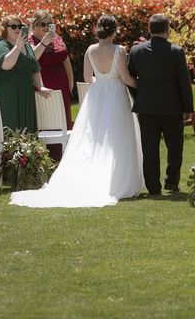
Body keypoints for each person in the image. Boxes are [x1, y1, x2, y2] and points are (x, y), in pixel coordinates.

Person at [10, 15, 143, 208]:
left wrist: (101, 84)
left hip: (97, 95)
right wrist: (140, 85)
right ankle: (118, 180)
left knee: (94, 136)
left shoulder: (90, 50)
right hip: (115, 93)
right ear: (114, 31)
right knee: (117, 135)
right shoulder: (119, 50)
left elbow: (88, 78)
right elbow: (125, 77)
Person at [128, 13, 194, 195]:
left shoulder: (136, 52)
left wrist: (139, 94)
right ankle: (171, 182)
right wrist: (188, 107)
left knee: (149, 148)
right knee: (175, 145)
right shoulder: (176, 51)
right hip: (172, 107)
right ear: (168, 30)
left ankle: (153, 187)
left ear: (149, 30)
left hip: (146, 107)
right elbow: (184, 82)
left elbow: (130, 78)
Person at [0, 15, 51, 132]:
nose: (18, 29)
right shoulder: (0, 46)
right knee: (10, 128)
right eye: (13, 26)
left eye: (20, 26)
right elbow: (6, 65)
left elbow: (34, 69)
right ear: (4, 29)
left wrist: (40, 86)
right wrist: (18, 47)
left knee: (28, 129)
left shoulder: (27, 46)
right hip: (8, 95)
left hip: (26, 92)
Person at [28, 10, 74, 128]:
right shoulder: (29, 39)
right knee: (48, 117)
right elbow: (32, 59)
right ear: (34, 24)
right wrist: (44, 42)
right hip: (44, 82)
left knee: (63, 116)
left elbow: (65, 58)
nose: (46, 27)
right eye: (43, 24)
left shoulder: (57, 38)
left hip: (61, 83)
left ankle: (65, 145)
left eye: (49, 24)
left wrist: (70, 81)